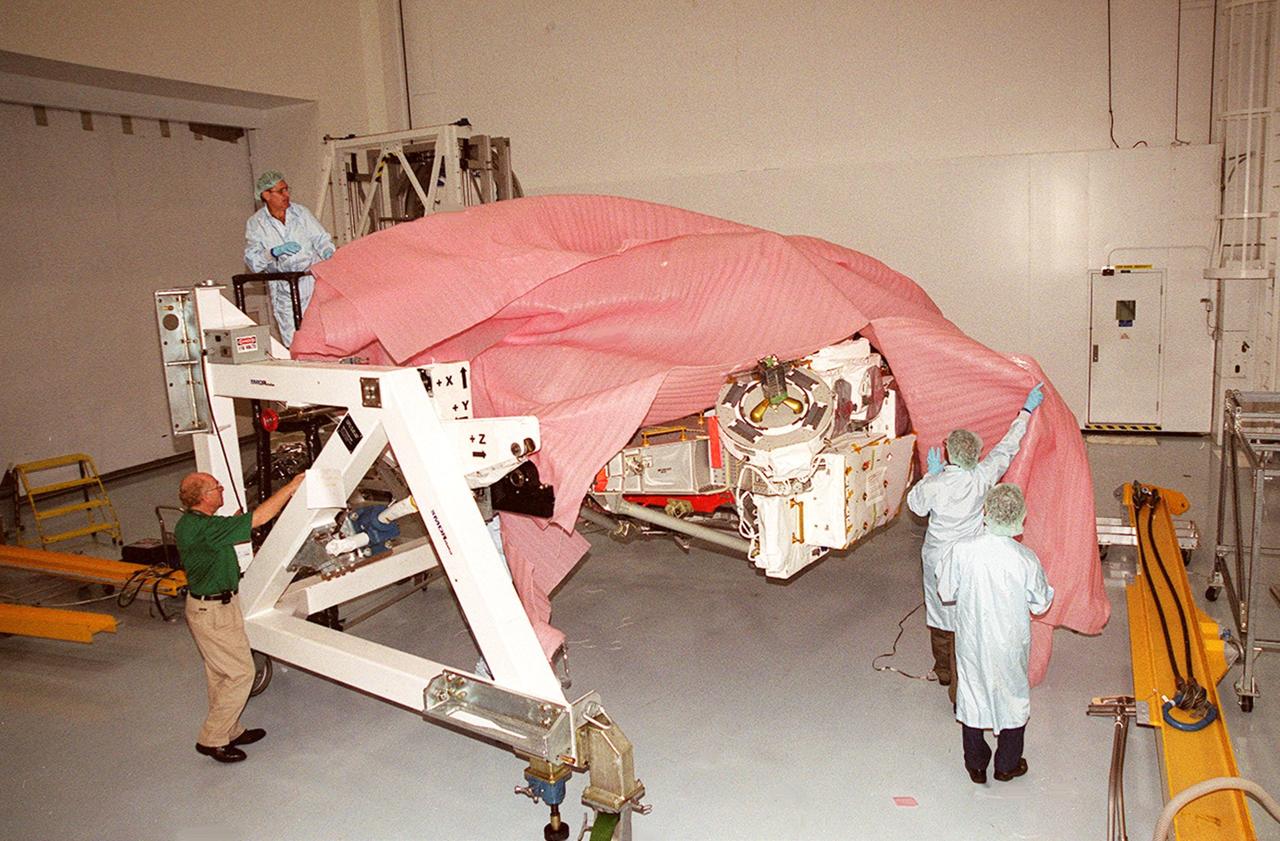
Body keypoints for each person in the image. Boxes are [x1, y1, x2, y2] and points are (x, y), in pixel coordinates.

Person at [906, 383, 1044, 701]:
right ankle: (960, 689)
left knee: (939, 614)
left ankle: (943, 672)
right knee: (964, 619)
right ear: (975, 453)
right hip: (968, 559)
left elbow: (915, 505)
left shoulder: (938, 484)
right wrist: (1026, 409)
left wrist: (930, 474)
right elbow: (1008, 447)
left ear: (949, 453)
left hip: (937, 557)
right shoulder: (983, 476)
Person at [176, 470, 305, 763]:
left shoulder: (195, 523)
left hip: (218, 606)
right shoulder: (206, 529)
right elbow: (258, 519)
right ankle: (211, 739)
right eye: (216, 486)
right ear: (204, 497)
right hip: (212, 611)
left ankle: (230, 729)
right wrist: (291, 487)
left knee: (221, 673)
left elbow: (220, 535)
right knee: (241, 673)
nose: (221, 488)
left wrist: (234, 524)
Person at [936, 483, 1054, 784]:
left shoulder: (962, 551)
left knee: (972, 692)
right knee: (1012, 697)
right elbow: (1041, 604)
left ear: (986, 511)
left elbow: (946, 591)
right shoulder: (1025, 559)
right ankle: (1007, 764)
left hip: (973, 639)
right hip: (1009, 642)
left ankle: (975, 765)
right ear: (1019, 518)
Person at [243, 170, 336, 347]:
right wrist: (272, 253)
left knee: (321, 334)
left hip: (310, 282)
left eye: (287, 189)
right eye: (281, 191)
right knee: (294, 340)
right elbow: (253, 261)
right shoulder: (256, 223)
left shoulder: (301, 214)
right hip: (283, 289)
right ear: (266, 195)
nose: (287, 195)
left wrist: (328, 252)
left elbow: (321, 239)